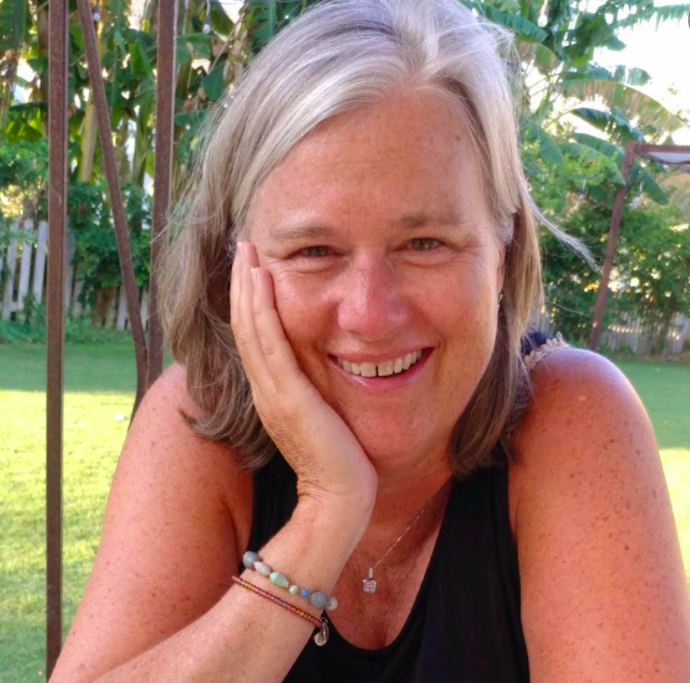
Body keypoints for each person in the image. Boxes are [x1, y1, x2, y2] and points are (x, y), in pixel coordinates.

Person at [49, 1, 690, 682]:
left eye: (425, 243)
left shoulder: (574, 417)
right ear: (234, 266)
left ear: (503, 250)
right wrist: (327, 514)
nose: (370, 314)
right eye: (314, 250)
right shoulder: (198, 422)